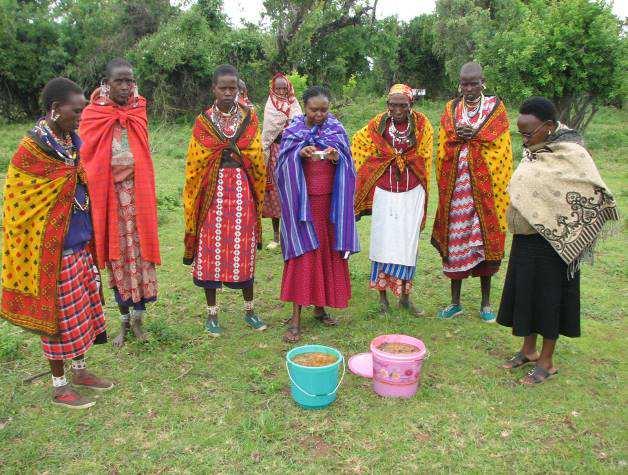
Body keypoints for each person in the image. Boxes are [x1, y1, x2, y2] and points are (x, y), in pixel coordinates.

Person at [1, 77, 113, 408]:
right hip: (52, 250)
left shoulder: (70, 142)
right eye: (75, 111)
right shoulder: (31, 150)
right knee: (59, 321)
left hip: (79, 242)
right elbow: (21, 206)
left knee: (82, 312)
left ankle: (80, 370)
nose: (80, 117)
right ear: (54, 109)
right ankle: (59, 383)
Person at [497, 97, 619, 385]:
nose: (524, 140)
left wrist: (562, 223)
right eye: (521, 134)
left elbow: (593, 192)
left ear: (549, 127)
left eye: (528, 133)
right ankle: (528, 350)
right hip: (527, 239)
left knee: (549, 299)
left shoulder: (571, 154)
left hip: (556, 245)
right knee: (525, 293)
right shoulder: (535, 150)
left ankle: (547, 362)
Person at [80, 58, 160, 347]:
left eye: (129, 80)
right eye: (119, 81)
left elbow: (143, 152)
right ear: (107, 83)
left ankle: (139, 319)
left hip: (138, 197)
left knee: (140, 257)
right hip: (109, 199)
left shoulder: (139, 108)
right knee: (117, 259)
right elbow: (88, 159)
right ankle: (123, 321)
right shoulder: (92, 114)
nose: (126, 86)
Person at [182, 64, 267, 336]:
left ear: (239, 89)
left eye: (233, 88)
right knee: (210, 250)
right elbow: (196, 162)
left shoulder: (250, 118)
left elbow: (255, 155)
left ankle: (250, 310)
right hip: (211, 192)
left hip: (242, 189)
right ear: (214, 89)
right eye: (223, 87)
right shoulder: (203, 122)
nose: (229, 92)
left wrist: (235, 157)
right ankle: (212, 314)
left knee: (243, 249)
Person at [276, 86, 360, 342]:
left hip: (329, 207)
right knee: (305, 256)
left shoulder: (337, 130)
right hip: (303, 207)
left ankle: (321, 308)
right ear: (305, 108)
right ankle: (296, 319)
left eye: (324, 109)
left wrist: (336, 158)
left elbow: (349, 165)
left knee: (324, 254)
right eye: (314, 110)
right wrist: (299, 155)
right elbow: (281, 167)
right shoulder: (293, 132)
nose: (320, 114)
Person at [431, 62, 513, 322]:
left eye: (473, 83)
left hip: (485, 190)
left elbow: (501, 146)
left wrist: (475, 134)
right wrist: (460, 135)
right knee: (455, 245)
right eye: (464, 83)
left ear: (482, 82)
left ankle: (486, 303)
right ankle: (455, 302)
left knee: (482, 245)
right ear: (460, 84)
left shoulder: (495, 108)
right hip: (457, 190)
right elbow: (444, 141)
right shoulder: (451, 108)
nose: (469, 88)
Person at [352, 84, 433, 315]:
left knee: (409, 244)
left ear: (411, 105)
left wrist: (403, 158)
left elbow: (424, 155)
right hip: (385, 192)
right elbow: (359, 144)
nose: (397, 110)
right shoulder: (378, 123)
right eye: (393, 105)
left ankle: (406, 298)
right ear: (387, 105)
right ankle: (383, 299)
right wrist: (384, 160)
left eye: (403, 105)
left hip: (412, 190)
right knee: (382, 242)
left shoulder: (422, 124)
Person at [261, 73, 303, 250]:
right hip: (275, 151)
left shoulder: (295, 104)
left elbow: (300, 124)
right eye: (277, 88)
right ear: (272, 88)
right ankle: (276, 236)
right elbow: (269, 130)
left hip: (292, 151)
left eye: (283, 88)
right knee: (275, 194)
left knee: (293, 192)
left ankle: (292, 234)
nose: (280, 91)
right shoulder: (270, 106)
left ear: (288, 88)